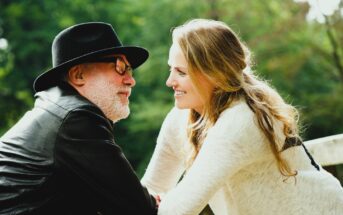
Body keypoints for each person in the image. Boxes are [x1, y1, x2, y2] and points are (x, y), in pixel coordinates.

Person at [141, 19, 343, 215]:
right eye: (171, 69)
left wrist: (160, 204)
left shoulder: (242, 121)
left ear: (214, 73)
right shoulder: (180, 118)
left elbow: (180, 208)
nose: (170, 81)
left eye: (181, 72)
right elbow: (151, 188)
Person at [0, 22, 157, 214]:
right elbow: (140, 208)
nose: (131, 80)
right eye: (119, 66)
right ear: (78, 75)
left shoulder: (55, 109)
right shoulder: (77, 118)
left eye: (129, 69)